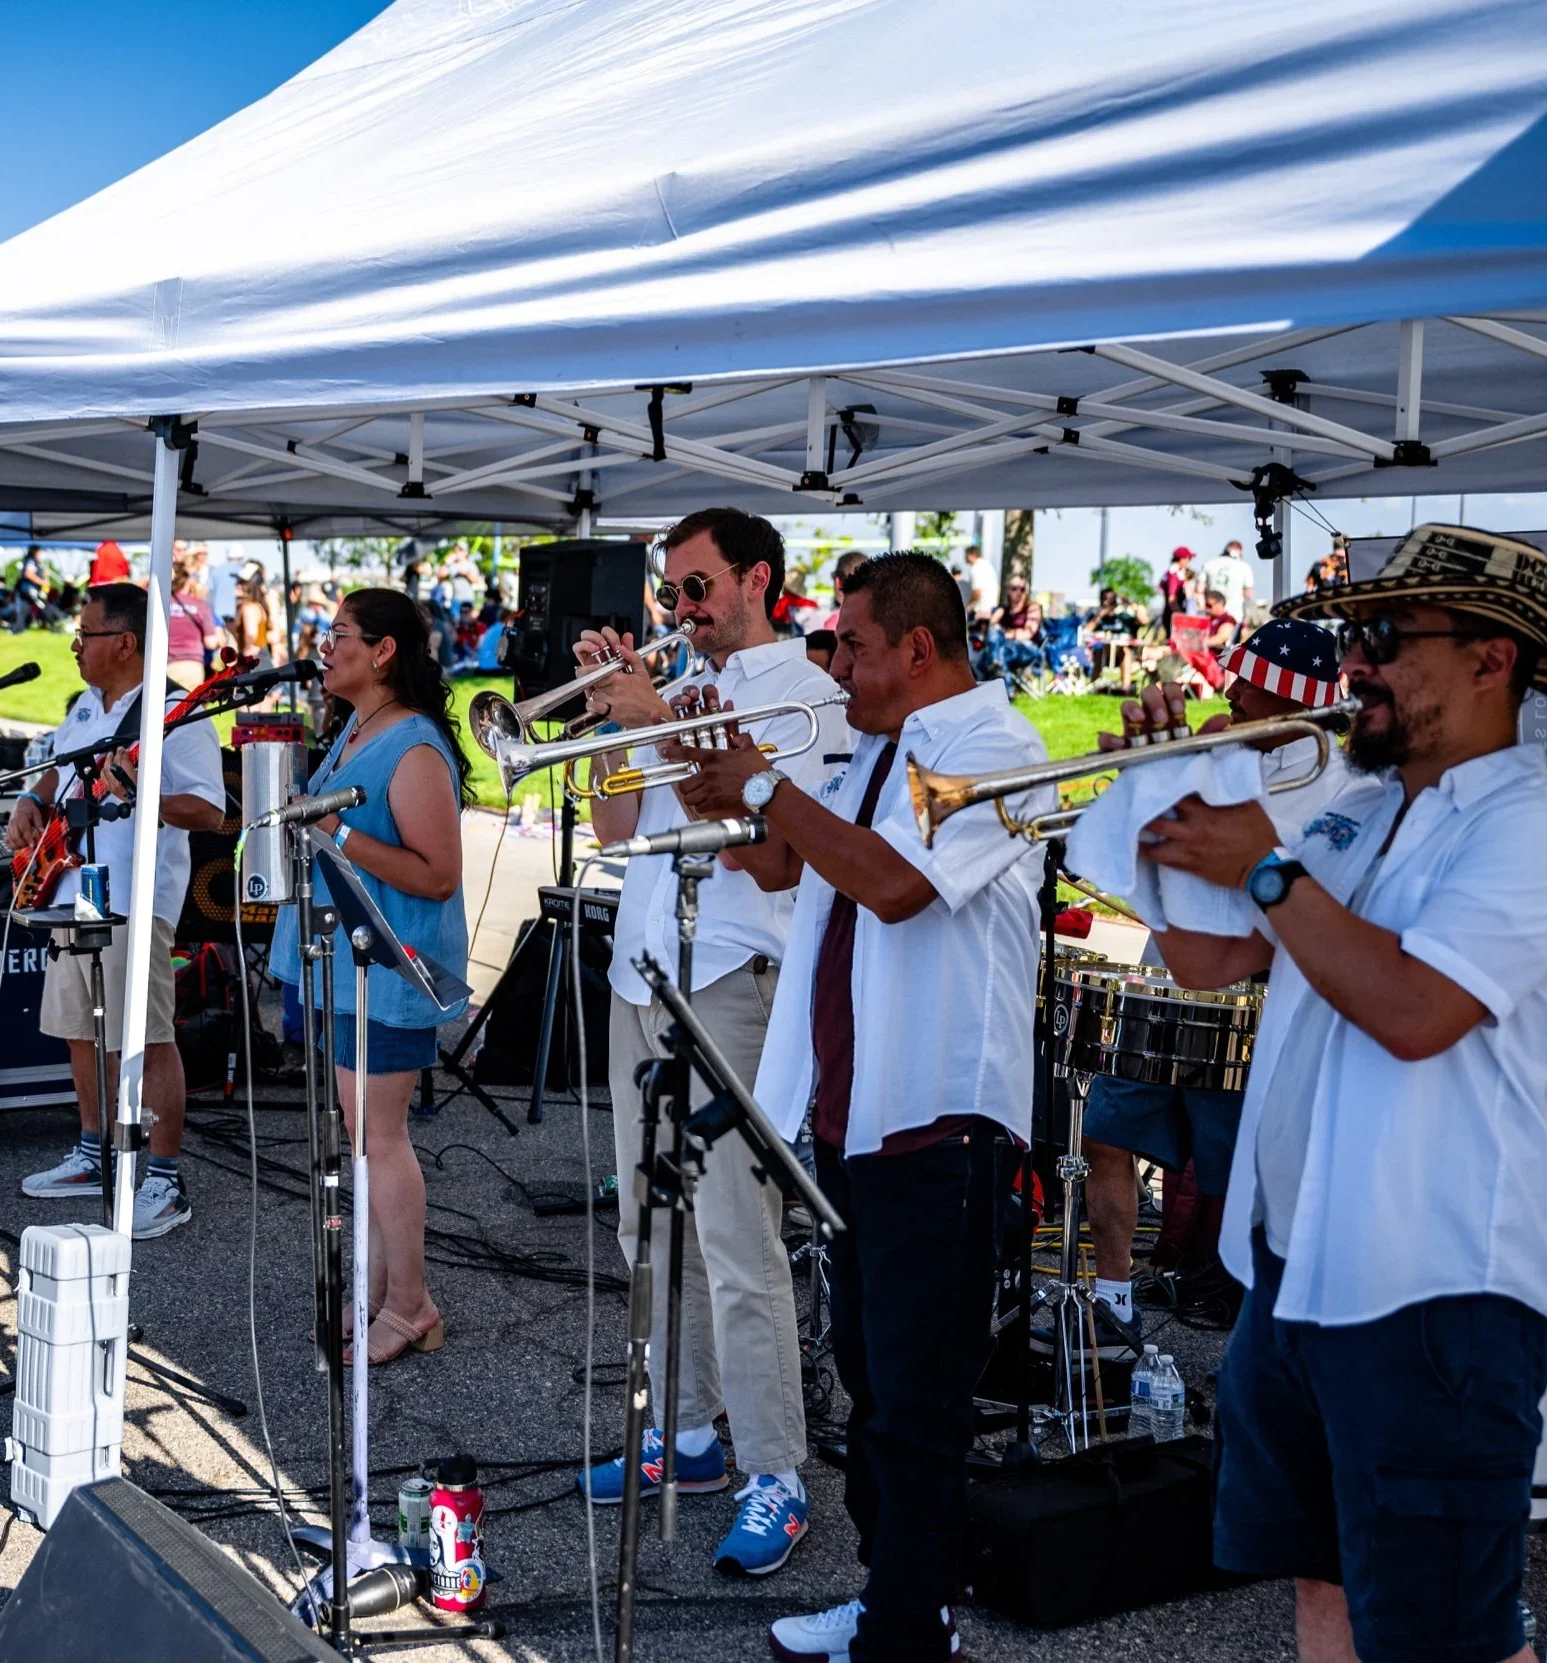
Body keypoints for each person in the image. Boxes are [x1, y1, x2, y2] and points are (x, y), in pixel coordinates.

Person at [1116, 523, 1547, 1663]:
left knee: (1445, 1632)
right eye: (1358, 633)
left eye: (1389, 636)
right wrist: (1165, 796)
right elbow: (1206, 960)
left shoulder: (1537, 835)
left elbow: (1409, 1011)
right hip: (1295, 1275)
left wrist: (1262, 861)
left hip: (1430, 1296)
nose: (1357, 660)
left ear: (1491, 659)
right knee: (1325, 1584)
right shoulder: (1348, 805)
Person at [667, 552, 1047, 1662]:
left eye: (855, 646)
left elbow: (890, 886)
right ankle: (897, 1601)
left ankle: (906, 1630)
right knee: (875, 1391)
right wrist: (711, 774)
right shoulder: (877, 747)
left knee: (920, 1405)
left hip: (935, 1121)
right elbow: (794, 869)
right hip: (853, 1114)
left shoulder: (993, 749)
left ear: (918, 649)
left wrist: (759, 784)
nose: (837, 665)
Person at [569, 507, 844, 1576]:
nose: (678, 611)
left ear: (753, 581)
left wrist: (654, 720)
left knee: (737, 1238)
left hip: (733, 977)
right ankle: (682, 1434)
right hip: (641, 968)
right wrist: (611, 722)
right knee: (648, 1225)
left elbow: (759, 847)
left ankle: (774, 1468)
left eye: (694, 589)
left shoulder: (801, 696)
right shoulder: (673, 689)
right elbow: (612, 828)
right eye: (668, 594)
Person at [1079, 618, 1353, 1346]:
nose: (1229, 693)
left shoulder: (1337, 786)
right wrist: (1153, 779)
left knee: (1240, 1172)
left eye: (1251, 690)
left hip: (1250, 1001)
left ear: (1293, 704)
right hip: (1164, 970)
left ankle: (1249, 1325)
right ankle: (1113, 1301)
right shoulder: (1224, 752)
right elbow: (1152, 851)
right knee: (1105, 1128)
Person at [274, 588, 472, 1364]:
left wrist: (336, 830)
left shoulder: (415, 746)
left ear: (384, 650)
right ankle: (384, 1288)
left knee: (380, 1140)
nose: (326, 648)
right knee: (364, 1138)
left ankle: (412, 1303)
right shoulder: (360, 728)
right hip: (348, 960)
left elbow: (439, 874)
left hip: (390, 968)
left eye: (340, 635)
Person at [5, 583, 229, 1235]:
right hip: (74, 891)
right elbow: (56, 770)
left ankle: (163, 1177)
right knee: (81, 1028)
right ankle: (91, 1152)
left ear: (125, 643)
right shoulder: (84, 705)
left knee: (148, 1034)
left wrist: (141, 794)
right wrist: (29, 799)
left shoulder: (173, 715)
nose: (75, 645)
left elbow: (210, 809)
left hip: (136, 899)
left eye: (86, 634)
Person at [164, 554, 223, 688]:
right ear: (187, 581)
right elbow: (211, 642)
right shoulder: (200, 606)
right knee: (188, 707)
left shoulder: (157, 604)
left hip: (162, 665)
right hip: (191, 666)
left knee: (164, 708)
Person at [979, 576, 1046, 682]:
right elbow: (992, 626)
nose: (1019, 592)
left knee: (999, 653)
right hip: (1005, 647)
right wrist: (998, 613)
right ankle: (995, 668)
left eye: (1022, 589)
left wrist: (1007, 634)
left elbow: (1028, 633)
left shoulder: (1032, 608)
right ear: (1008, 590)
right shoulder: (1005, 610)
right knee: (983, 658)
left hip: (1027, 649)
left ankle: (1004, 689)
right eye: (1014, 588)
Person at [1205, 538, 1255, 623]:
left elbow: (1199, 589)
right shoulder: (1244, 567)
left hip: (1212, 612)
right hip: (1234, 613)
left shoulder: (1209, 563)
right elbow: (1248, 594)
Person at [1159, 545, 1199, 630]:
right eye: (1189, 558)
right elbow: (1172, 599)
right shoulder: (1174, 575)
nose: (1189, 561)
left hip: (1170, 615)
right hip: (1172, 617)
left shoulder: (1171, 573)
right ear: (1182, 559)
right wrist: (1181, 617)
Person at [957, 542, 997, 615]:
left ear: (971, 555)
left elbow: (977, 592)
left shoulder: (976, 568)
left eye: (966, 555)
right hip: (991, 607)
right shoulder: (986, 564)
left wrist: (967, 605)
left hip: (982, 610)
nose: (965, 557)